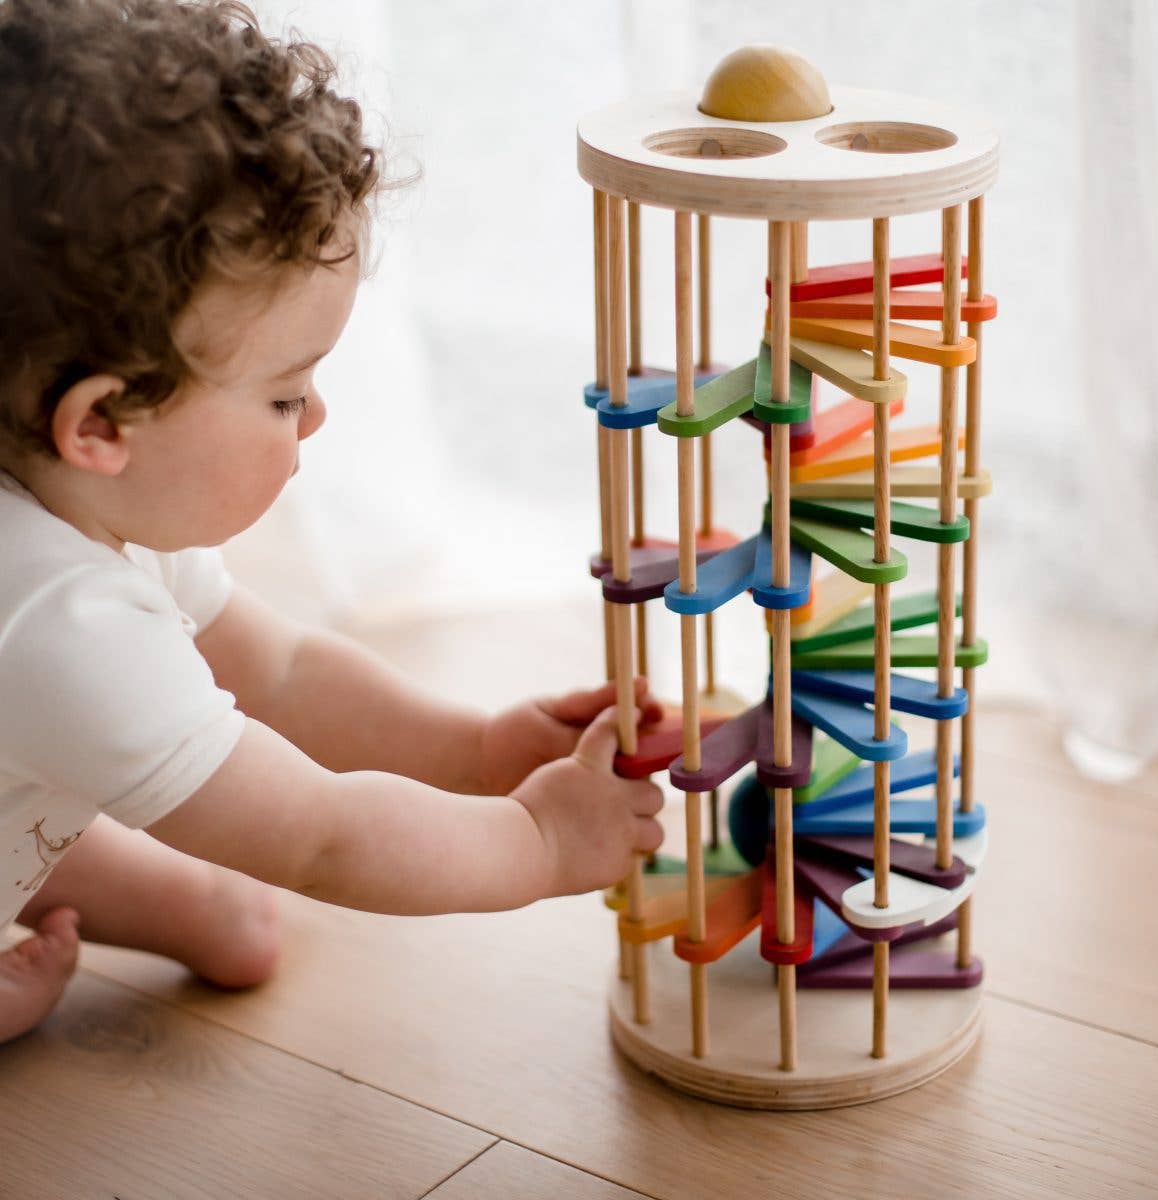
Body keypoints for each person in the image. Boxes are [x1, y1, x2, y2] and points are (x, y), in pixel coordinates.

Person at [0, 0, 663, 1044]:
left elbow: (284, 673)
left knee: (64, 771)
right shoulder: (54, 618)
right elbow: (317, 838)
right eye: (283, 394)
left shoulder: (73, 501)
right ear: (101, 423)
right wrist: (533, 840)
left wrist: (478, 749)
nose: (317, 416)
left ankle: (172, 899)